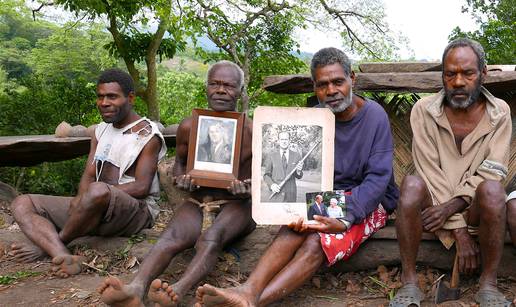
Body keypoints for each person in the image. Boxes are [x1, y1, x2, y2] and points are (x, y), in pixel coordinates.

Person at [195, 47, 399, 306]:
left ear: (352, 79)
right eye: (322, 85)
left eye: (338, 82)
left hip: (368, 200)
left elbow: (379, 179)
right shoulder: (314, 116)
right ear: (315, 87)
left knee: (315, 241)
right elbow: (309, 176)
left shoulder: (374, 116)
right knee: (295, 228)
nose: (331, 90)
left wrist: (346, 219)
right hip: (328, 197)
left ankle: (250, 302)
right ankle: (247, 290)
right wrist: (291, 208)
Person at [97, 60, 255, 307]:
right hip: (198, 198)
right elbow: (180, 164)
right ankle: (136, 288)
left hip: (237, 204)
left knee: (211, 238)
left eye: (228, 85)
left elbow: (263, 180)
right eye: (214, 84)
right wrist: (182, 179)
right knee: (170, 237)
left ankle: (179, 290)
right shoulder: (190, 126)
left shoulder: (252, 131)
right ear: (206, 88)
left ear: (240, 91)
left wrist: (247, 188)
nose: (221, 90)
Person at [390, 38, 512, 307]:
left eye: (467, 73)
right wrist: (459, 231)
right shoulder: (423, 111)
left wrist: (451, 210)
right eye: (450, 74)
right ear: (443, 76)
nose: (458, 82)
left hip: (473, 207)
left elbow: (493, 171)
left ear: (483, 73)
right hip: (434, 204)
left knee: (493, 190)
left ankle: (488, 284)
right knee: (410, 184)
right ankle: (409, 282)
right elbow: (429, 171)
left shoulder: (499, 112)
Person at [9, 69, 166, 278]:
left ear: (130, 98)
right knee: (21, 203)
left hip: (134, 211)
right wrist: (81, 200)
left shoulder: (147, 135)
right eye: (100, 96)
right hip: (95, 206)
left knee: (97, 190)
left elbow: (141, 187)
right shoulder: (101, 130)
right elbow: (90, 173)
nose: (104, 102)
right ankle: (62, 254)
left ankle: (50, 245)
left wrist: (92, 196)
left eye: (112, 96)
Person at [262, 131, 304, 202]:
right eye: (282, 139)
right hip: (275, 196)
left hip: (290, 196)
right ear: (278, 141)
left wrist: (299, 171)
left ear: (289, 140)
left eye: (286, 139)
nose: (284, 141)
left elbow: (299, 176)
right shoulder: (271, 156)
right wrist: (272, 185)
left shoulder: (296, 155)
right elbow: (266, 175)